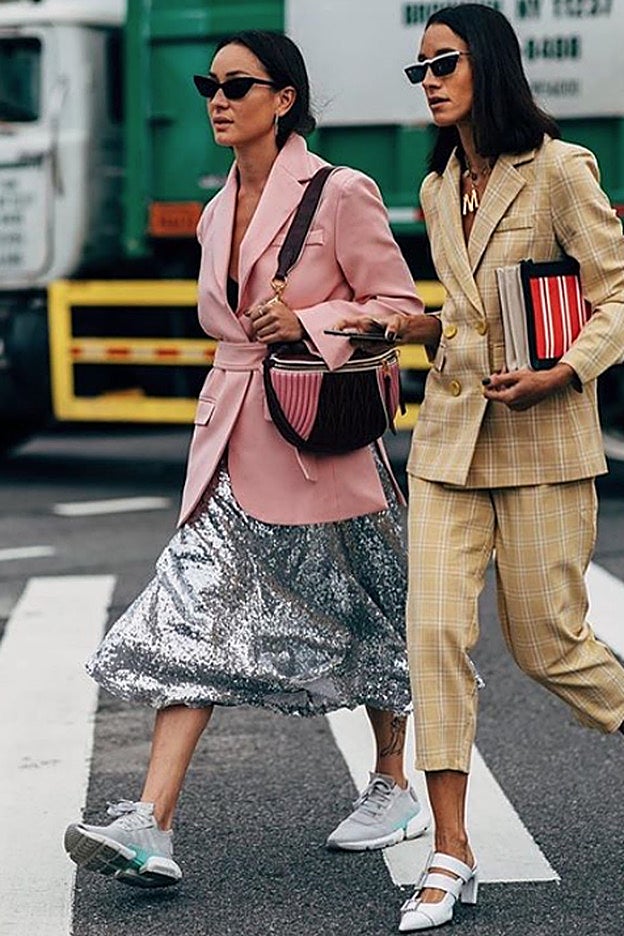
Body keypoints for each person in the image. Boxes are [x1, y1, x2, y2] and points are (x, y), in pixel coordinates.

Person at [63, 30, 431, 889]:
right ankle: (151, 821)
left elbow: (401, 307)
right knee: (192, 610)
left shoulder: (340, 191)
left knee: (370, 604)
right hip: (231, 441)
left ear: (285, 98)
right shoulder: (213, 206)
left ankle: (392, 781)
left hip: (320, 442)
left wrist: (311, 322)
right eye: (209, 84)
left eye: (237, 84)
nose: (217, 99)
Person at [338, 3, 624, 931]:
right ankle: (450, 850)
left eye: (442, 63)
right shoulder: (431, 189)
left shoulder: (559, 171)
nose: (427, 80)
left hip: (543, 443)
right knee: (434, 640)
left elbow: (615, 292)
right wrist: (415, 325)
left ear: (487, 64)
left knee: (550, 646)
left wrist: (563, 371)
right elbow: (463, 318)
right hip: (451, 443)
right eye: (417, 70)